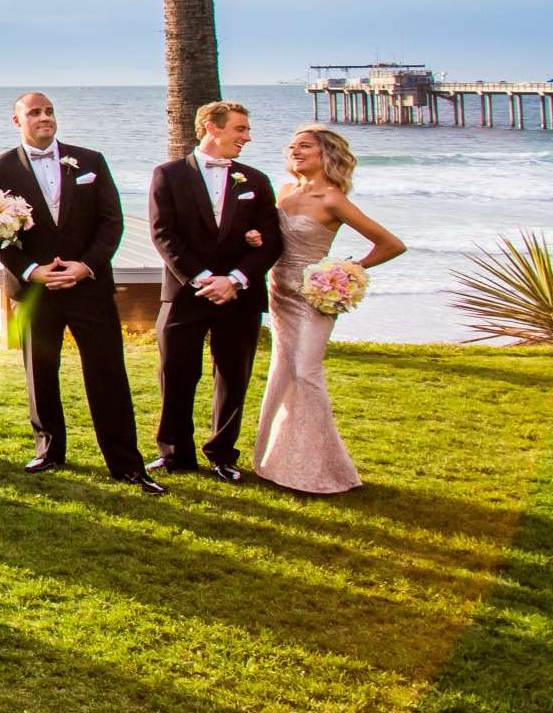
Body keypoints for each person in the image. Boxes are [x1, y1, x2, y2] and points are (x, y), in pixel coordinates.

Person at [0, 94, 162, 494]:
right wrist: (33, 271)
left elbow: (110, 222)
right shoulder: (0, 168)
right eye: (34, 113)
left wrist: (85, 267)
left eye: (48, 111)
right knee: (40, 373)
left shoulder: (90, 161)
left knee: (107, 372)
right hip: (35, 291)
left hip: (88, 286)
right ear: (17, 121)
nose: (44, 118)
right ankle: (49, 450)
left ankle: (126, 463)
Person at [253, 125, 403, 493]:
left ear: (325, 154)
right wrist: (254, 237)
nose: (295, 151)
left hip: (311, 300)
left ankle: (320, 469)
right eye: (292, 146)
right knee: (284, 372)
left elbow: (391, 244)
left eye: (304, 146)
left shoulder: (332, 199)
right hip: (279, 292)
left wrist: (346, 271)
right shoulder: (286, 191)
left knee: (306, 372)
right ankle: (276, 462)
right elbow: (275, 238)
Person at [147, 101, 284, 481]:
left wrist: (235, 279)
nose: (247, 137)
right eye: (240, 129)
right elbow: (163, 234)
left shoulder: (254, 180)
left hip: (239, 296)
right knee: (175, 372)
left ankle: (223, 454)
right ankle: (174, 453)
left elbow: (271, 241)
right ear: (211, 127)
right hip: (185, 293)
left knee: (233, 375)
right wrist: (203, 278)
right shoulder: (168, 174)